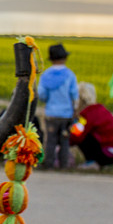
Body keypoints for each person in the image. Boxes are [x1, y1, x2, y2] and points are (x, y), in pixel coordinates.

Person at [37, 42, 79, 170]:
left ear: (51, 59)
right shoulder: (70, 75)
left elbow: (42, 94)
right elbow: (74, 94)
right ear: (65, 58)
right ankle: (63, 165)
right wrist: (75, 109)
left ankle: (48, 164)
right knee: (64, 141)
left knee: (50, 140)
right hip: (66, 114)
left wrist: (49, 100)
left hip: (51, 114)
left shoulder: (46, 75)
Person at [69, 83, 113, 169]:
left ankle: (93, 162)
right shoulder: (100, 108)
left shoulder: (86, 115)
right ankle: (101, 163)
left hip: (107, 153)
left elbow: (76, 136)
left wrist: (64, 142)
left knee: (81, 134)